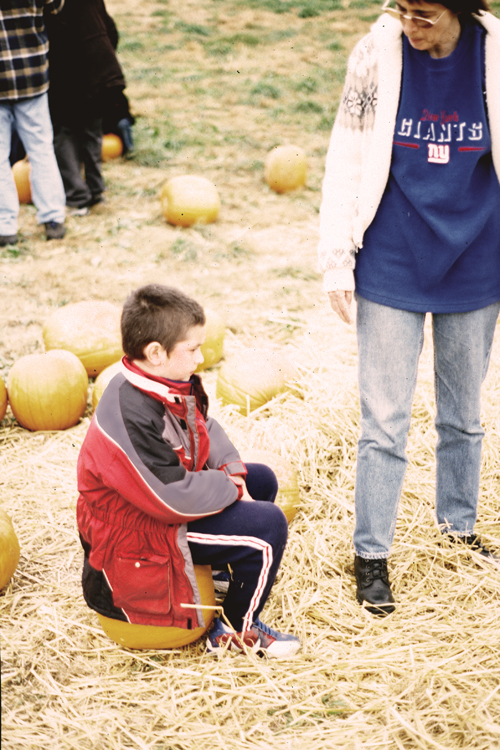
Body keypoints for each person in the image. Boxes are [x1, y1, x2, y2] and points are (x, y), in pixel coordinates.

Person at [318, 0, 500, 615]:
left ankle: (457, 529)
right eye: (402, 10)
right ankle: (371, 554)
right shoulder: (377, 52)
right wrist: (337, 256)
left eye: (424, 13)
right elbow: (345, 156)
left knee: (463, 413)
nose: (410, 26)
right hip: (393, 255)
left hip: (478, 254)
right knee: (385, 420)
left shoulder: (496, 55)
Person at [77, 285, 301, 658]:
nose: (200, 359)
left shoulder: (160, 383)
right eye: (193, 349)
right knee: (268, 526)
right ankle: (233, 630)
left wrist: (235, 472)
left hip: (156, 511)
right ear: (156, 353)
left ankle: (214, 579)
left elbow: (204, 429)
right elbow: (173, 498)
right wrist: (229, 485)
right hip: (139, 532)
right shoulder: (128, 412)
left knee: (261, 479)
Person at [44, 0, 129, 215]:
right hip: (97, 72)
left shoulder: (49, 4)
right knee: (92, 132)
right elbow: (111, 30)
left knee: (63, 133)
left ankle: (77, 197)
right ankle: (95, 189)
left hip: (64, 74)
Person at [0, 0, 66, 245]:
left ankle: (5, 227)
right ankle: (53, 219)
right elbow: (57, 6)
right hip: (32, 75)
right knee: (41, 150)